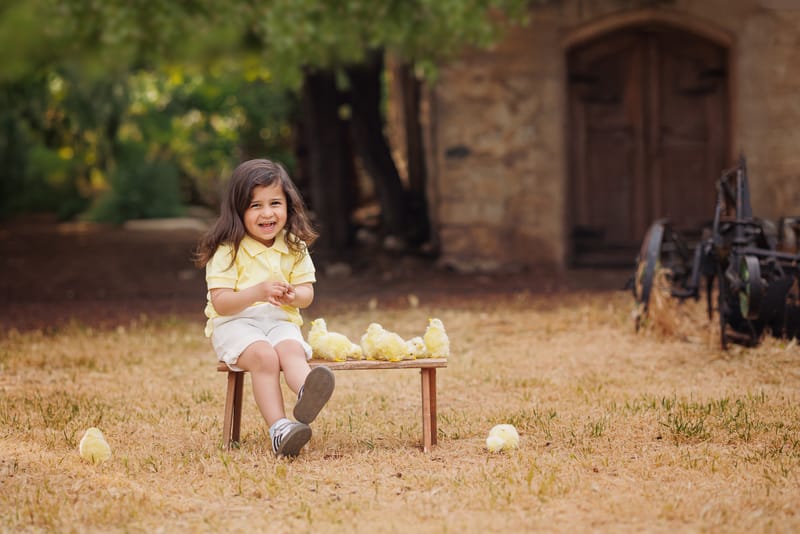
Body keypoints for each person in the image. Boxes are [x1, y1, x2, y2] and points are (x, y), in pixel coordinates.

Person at [195, 158, 334, 458]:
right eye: (255, 206)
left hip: (278, 321)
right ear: (238, 210)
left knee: (291, 350)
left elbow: (307, 294)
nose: (267, 213)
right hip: (235, 325)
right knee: (265, 357)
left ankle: (306, 394)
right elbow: (221, 302)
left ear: (288, 205)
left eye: (275, 203)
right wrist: (257, 291)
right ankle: (279, 429)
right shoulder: (227, 250)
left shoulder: (294, 245)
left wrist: (291, 296)